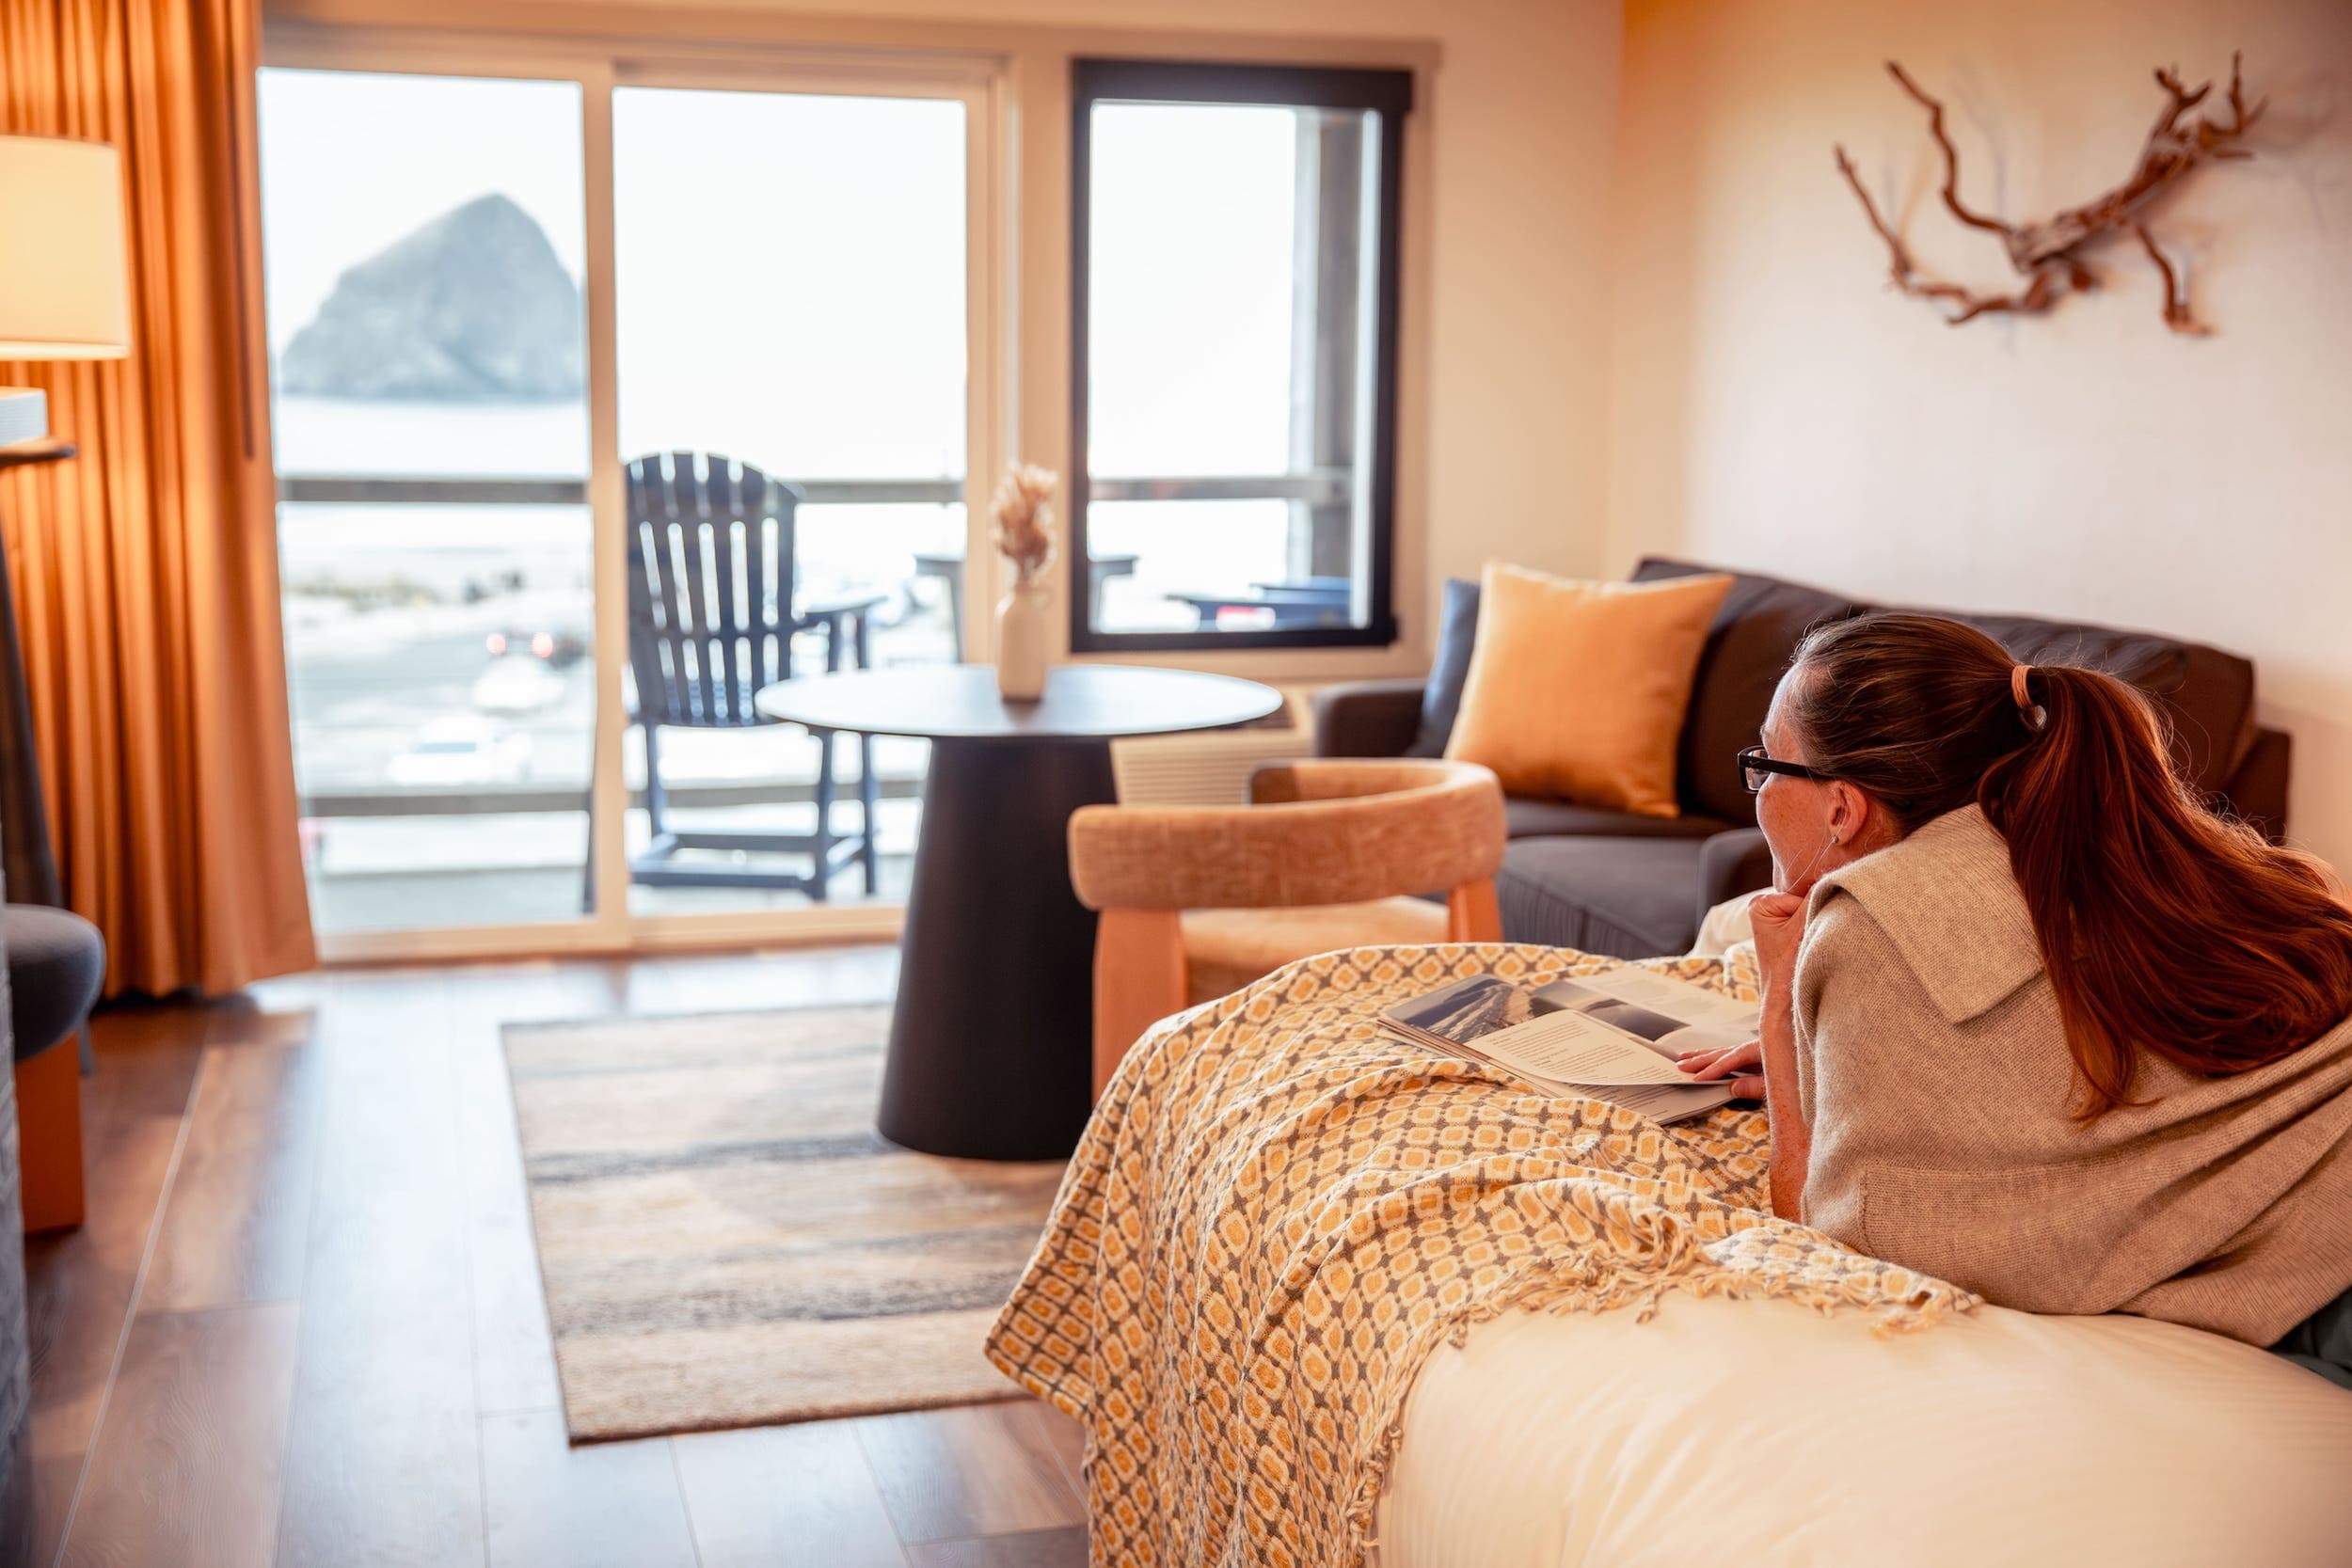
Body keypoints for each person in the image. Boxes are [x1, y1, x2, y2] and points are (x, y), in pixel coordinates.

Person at [1675, 612, 2352, 1386]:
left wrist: (1778, 1006)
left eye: (1766, 764)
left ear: (1842, 809)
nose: (1758, 792)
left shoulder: (1872, 916)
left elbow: (1830, 1241)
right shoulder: (2087, 838)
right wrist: (1822, 1044)